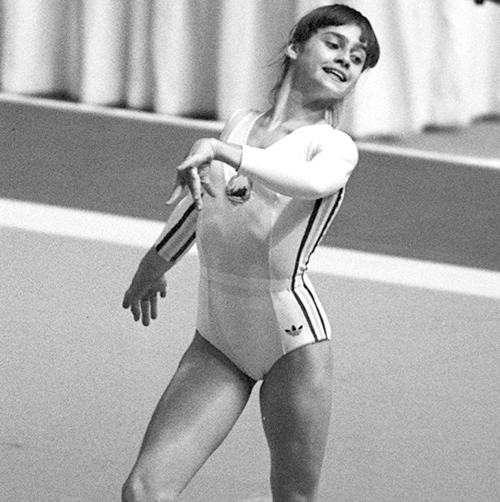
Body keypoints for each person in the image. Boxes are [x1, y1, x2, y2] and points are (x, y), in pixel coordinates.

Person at [122, 5, 380, 502]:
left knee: (293, 497)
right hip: (217, 337)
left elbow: (310, 182)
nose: (345, 60)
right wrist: (153, 264)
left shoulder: (333, 146)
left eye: (358, 58)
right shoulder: (240, 125)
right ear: (295, 46)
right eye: (334, 44)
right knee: (143, 490)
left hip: (293, 343)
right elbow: (204, 202)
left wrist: (226, 152)